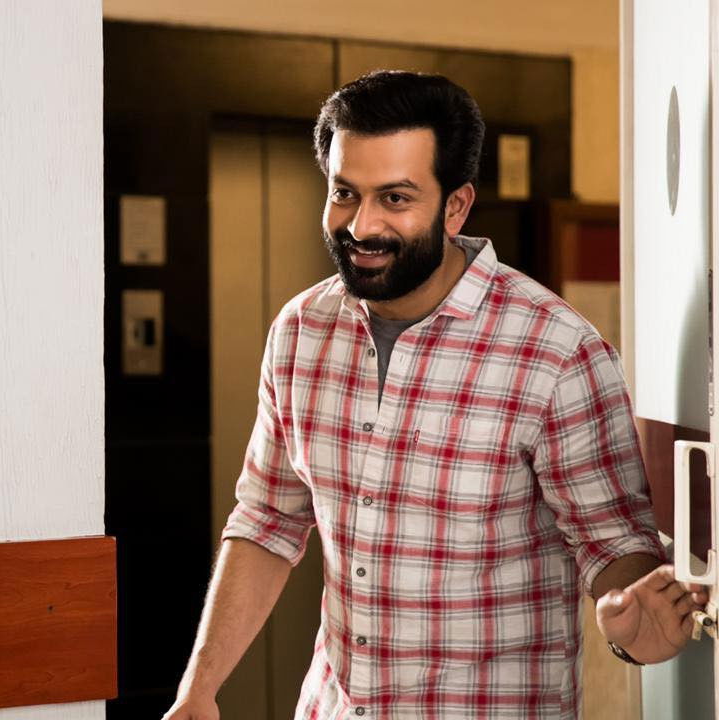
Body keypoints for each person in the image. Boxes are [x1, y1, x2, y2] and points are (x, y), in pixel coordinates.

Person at [162, 70, 709, 720]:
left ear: (456, 206)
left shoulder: (556, 350)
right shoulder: (300, 332)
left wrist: (633, 628)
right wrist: (198, 689)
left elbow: (613, 546)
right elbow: (266, 521)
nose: (361, 224)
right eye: (344, 193)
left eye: (395, 198)